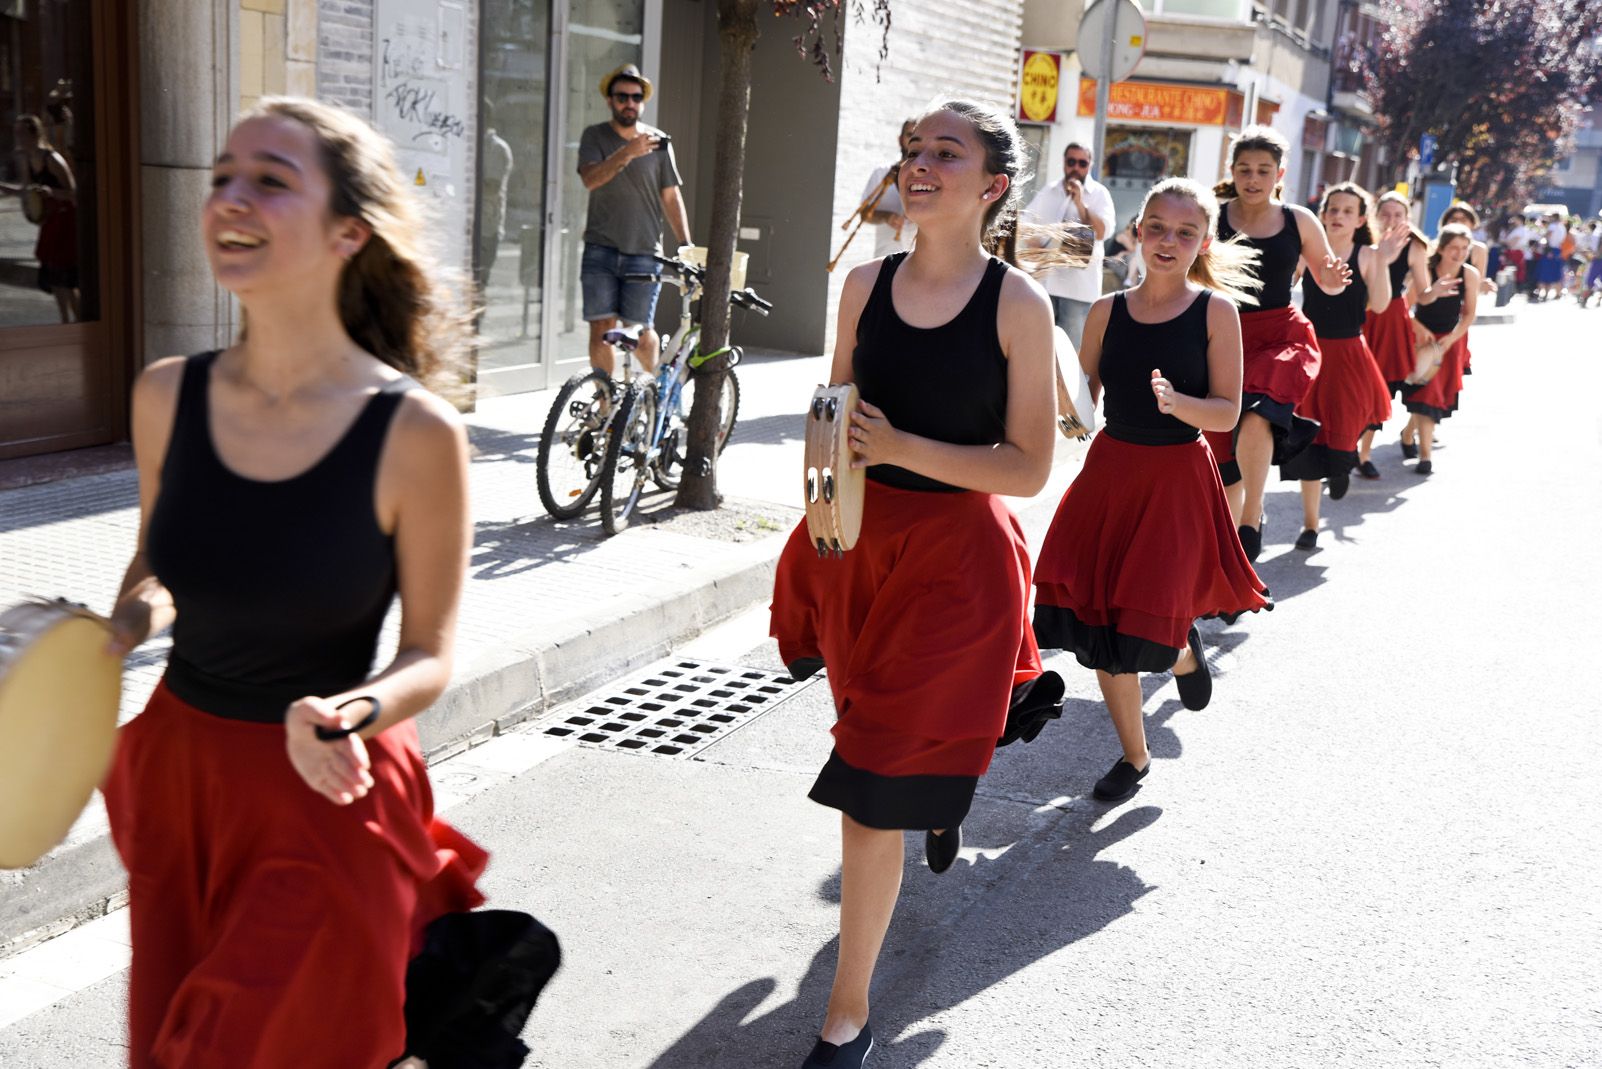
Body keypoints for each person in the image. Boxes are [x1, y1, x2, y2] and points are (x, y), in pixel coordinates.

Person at [99, 97, 487, 1066]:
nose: (231, 196)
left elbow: (431, 653)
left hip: (321, 791)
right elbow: (163, 562)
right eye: (223, 175)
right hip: (181, 783)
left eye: (270, 179)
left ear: (347, 231)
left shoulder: (415, 432)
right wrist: (116, 627)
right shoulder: (164, 394)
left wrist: (349, 710)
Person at [770, 100, 1067, 1069]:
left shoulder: (1019, 304)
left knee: (868, 789)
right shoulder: (862, 285)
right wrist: (822, 505)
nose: (920, 163)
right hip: (859, 550)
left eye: (946, 151)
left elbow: (1028, 467)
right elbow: (833, 414)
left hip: (959, 569)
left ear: (991, 185)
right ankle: (937, 794)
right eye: (912, 149)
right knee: (880, 751)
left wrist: (903, 447)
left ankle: (844, 1017)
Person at [1032, 177, 1271, 802]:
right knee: (1108, 624)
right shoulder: (1107, 311)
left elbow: (1226, 412)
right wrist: (1056, 392)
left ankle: (1182, 652)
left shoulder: (1216, 312)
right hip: (1111, 475)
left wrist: (1178, 402)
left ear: (1203, 242)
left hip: (1176, 479)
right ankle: (1134, 759)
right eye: (1158, 228)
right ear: (1138, 232)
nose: (1169, 241)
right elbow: (1081, 407)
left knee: (1148, 625)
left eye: (1185, 232)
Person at [1202, 125, 1353, 561]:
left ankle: (1254, 515)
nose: (1253, 178)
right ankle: (1229, 560)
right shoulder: (1212, 214)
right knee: (1221, 452)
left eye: (1263, 170)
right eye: (1245, 169)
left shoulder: (1298, 220)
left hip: (1282, 336)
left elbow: (1326, 280)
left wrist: (1334, 279)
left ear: (1279, 174)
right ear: (1231, 171)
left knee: (1257, 415)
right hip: (1224, 335)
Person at [1279, 183, 1402, 548]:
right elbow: (1281, 289)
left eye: (1347, 211)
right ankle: (1311, 525)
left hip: (1349, 352)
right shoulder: (1307, 252)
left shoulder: (1366, 254)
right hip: (1311, 351)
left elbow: (1378, 306)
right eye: (1332, 209)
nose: (1337, 216)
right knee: (1307, 437)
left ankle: (1344, 460)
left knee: (1346, 423)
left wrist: (1381, 260)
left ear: (1361, 219)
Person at [577, 63, 691, 376]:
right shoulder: (595, 136)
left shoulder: (658, 143)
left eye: (635, 97)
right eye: (622, 96)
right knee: (602, 329)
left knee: (640, 335)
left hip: (644, 251)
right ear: (610, 100)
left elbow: (671, 196)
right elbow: (591, 179)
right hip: (600, 250)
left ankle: (652, 391)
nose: (630, 103)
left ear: (643, 101)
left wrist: (685, 244)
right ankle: (605, 410)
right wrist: (627, 152)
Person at [1357, 191, 1429, 478]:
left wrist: (1432, 296)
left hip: (1392, 319)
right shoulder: (1363, 241)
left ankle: (1363, 453)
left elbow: (1422, 292)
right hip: (1361, 313)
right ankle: (1343, 447)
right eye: (1385, 214)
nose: (1391, 220)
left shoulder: (1415, 246)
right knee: (1353, 384)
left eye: (1398, 215)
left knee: (1382, 388)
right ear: (1375, 216)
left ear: (1407, 219)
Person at [1401, 223, 1479, 474]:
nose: (1459, 253)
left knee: (1432, 397)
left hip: (1449, 343)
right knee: (1424, 395)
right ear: (1442, 248)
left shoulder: (1469, 275)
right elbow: (1404, 308)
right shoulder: (1427, 271)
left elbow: (1469, 315)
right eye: (1454, 248)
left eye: (1465, 248)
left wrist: (1452, 339)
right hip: (1422, 341)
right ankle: (1426, 457)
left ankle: (1408, 433)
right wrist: (1418, 328)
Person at [1022, 141, 1115, 349]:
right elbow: (1027, 222)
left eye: (1082, 163)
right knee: (1041, 347)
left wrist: (1081, 203)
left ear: (1089, 165)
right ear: (1064, 162)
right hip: (1046, 283)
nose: (1076, 168)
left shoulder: (1100, 194)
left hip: (1079, 288)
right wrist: (1036, 244)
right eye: (1071, 162)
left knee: (1071, 353)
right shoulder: (1050, 190)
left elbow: (1102, 232)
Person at [0, 114, 79, 322]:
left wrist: (51, 191)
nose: (18, 137)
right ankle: (65, 320)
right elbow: (27, 191)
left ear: (33, 133)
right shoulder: (27, 158)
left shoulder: (51, 159)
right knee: (53, 276)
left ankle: (78, 319)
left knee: (66, 276)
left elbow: (73, 192)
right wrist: (6, 188)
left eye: (21, 133)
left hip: (65, 218)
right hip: (49, 220)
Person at [859, 118, 917, 257]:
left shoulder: (931, 178)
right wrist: (886, 217)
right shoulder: (881, 173)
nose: (913, 142)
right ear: (900, 139)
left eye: (918, 137)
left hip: (920, 264)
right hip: (884, 260)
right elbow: (863, 213)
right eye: (910, 135)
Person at [476, 97, 514, 291]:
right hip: (475, 226)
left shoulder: (496, 148)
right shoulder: (473, 142)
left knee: (478, 283)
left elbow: (492, 186)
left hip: (486, 228)